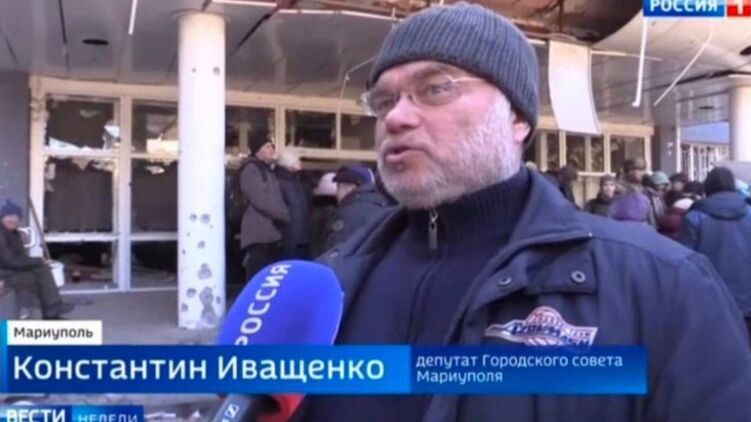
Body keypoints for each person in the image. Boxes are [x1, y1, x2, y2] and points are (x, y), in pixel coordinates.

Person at [296, 4, 751, 421]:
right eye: (384, 101)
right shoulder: (330, 282)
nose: (395, 118)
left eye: (435, 89)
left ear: (517, 119)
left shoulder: (662, 284)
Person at [680, 166, 751, 341]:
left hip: (710, 297)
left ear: (707, 186)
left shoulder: (694, 217)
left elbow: (686, 262)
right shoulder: (749, 212)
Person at [0, 200, 74, 319]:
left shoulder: (14, 233)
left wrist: (38, 262)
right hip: (4, 275)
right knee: (41, 278)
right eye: (9, 216)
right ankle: (52, 312)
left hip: (11, 272)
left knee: (42, 272)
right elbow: (9, 261)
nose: (13, 219)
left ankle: (52, 310)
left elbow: (21, 258)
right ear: (2, 217)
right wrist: (37, 261)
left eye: (16, 216)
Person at [239, 136, 290, 280]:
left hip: (269, 233)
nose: (272, 149)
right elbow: (261, 200)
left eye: (272, 146)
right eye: (267, 146)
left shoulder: (267, 170)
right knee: (258, 275)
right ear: (257, 151)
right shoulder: (251, 170)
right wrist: (284, 214)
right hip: (258, 233)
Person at [323, 165, 390, 250]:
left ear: (350, 188)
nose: (336, 193)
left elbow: (335, 250)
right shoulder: (385, 208)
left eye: (339, 188)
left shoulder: (346, 214)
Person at [275, 150, 312, 260]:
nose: (300, 162)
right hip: (290, 236)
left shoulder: (298, 181)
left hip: (301, 235)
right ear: (288, 164)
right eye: (297, 161)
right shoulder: (280, 182)